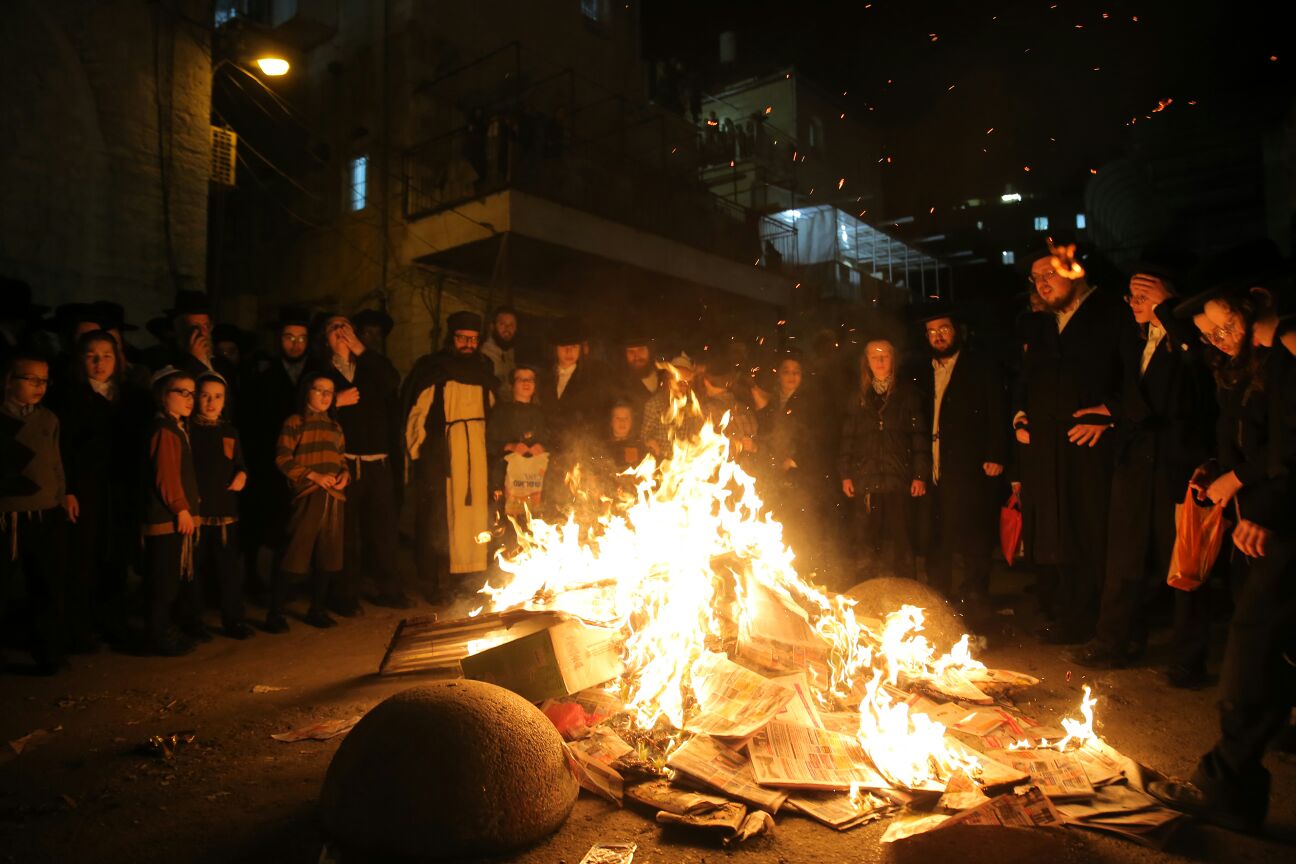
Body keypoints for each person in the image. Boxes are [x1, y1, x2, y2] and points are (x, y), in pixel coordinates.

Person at [1150, 239, 1296, 834]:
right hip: (1273, 518)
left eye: (1220, 322)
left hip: (1285, 524)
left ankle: (1227, 785)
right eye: (1207, 330)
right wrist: (1227, 474)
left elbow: (1290, 448)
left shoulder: (1289, 342)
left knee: (1254, 649)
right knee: (1267, 647)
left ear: (1255, 299)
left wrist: (1267, 507)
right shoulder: (1254, 357)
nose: (1213, 336)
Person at [1072, 260, 1215, 678]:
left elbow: (1196, 386)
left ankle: (1188, 659)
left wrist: (1170, 313)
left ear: (1168, 298)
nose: (1133, 303)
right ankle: (1115, 641)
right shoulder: (1135, 338)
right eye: (1131, 295)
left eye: (1144, 296)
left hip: (1177, 463)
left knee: (1183, 559)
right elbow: (1134, 391)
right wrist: (1111, 410)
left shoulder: (1190, 337)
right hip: (1136, 461)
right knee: (1124, 556)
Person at [1013, 241, 1130, 643]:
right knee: (1061, 534)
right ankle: (1074, 617)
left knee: (1095, 531)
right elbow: (1026, 379)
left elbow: (1136, 372)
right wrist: (1021, 414)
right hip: (1049, 446)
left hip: (1093, 446)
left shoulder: (1113, 311)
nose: (1043, 284)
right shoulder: (1043, 323)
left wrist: (1111, 412)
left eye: (1050, 274)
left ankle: (1108, 625)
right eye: (1037, 278)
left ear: (1075, 271)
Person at [913, 307, 1008, 611]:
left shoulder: (979, 366)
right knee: (935, 534)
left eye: (944, 330)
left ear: (956, 332)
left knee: (973, 535)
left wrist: (996, 453)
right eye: (932, 332)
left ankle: (975, 600)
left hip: (969, 464)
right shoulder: (922, 371)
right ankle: (938, 599)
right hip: (933, 465)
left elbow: (997, 410)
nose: (938, 337)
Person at [316, 315, 410, 612]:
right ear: (325, 338)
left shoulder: (370, 365)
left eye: (346, 327)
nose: (341, 333)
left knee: (383, 531)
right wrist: (335, 402)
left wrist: (360, 348)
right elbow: (304, 405)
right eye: (334, 329)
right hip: (343, 464)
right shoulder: (321, 371)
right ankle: (345, 596)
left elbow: (392, 380)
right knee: (346, 534)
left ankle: (390, 590)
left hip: (378, 464)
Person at [403, 311, 497, 602]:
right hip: (443, 457)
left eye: (473, 339)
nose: (468, 343)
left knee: (474, 517)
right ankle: (435, 582)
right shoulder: (434, 369)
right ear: (451, 338)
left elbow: (494, 412)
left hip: (477, 457)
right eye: (462, 338)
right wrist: (418, 453)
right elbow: (416, 414)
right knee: (438, 519)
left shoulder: (484, 371)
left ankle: (466, 581)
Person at [52, 330, 134, 651]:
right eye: (92, 356)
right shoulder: (68, 397)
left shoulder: (129, 396)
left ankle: (113, 621)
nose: (100, 363)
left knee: (116, 556)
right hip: (85, 489)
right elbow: (62, 448)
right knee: (83, 558)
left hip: (119, 490)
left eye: (107, 356)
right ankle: (78, 628)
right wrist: (68, 489)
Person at [837, 340, 929, 581]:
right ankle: (868, 595)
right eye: (874, 356)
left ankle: (908, 593)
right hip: (865, 480)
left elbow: (919, 438)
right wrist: (845, 473)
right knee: (867, 541)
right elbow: (848, 438)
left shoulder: (907, 395)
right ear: (866, 362)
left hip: (898, 478)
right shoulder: (858, 397)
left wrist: (919, 475)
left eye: (884, 356)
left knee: (902, 541)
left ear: (893, 360)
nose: (879, 361)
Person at [0, 351, 68, 673]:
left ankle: (47, 652)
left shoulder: (48, 419)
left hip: (43, 513)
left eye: (44, 380)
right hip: (6, 515)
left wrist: (61, 495)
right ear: (9, 381)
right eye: (31, 379)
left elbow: (55, 462)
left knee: (45, 584)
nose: (39, 386)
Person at [271, 371, 350, 631]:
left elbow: (341, 461)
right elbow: (283, 459)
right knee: (296, 553)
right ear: (308, 392)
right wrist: (313, 475)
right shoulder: (296, 422)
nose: (326, 396)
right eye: (319, 390)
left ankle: (317, 609)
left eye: (330, 391)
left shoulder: (335, 427)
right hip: (308, 496)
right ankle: (276, 612)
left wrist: (344, 476)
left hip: (334, 497)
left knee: (328, 556)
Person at [242, 306, 312, 592]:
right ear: (278, 340)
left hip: (307, 464)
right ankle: (263, 586)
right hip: (270, 464)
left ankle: (294, 585)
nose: (295, 344)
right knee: (268, 527)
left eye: (301, 338)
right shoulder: (262, 376)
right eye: (288, 338)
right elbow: (252, 423)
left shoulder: (317, 374)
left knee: (300, 528)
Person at [141, 367, 202, 656]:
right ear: (163, 396)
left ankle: (165, 631)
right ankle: (156, 637)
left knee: (171, 579)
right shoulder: (164, 430)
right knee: (163, 580)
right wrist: (181, 509)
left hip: (174, 517)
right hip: (166, 520)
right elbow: (165, 475)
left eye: (193, 393)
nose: (190, 399)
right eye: (183, 392)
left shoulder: (177, 427)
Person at [189, 373, 254, 640]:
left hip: (226, 511)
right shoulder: (188, 430)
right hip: (196, 514)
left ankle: (233, 620)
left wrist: (242, 475)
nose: (211, 402)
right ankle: (192, 622)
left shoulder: (229, 431)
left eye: (217, 396)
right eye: (205, 395)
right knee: (195, 571)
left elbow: (240, 463)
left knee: (229, 570)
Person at [487, 365, 549, 522]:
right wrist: (511, 447)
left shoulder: (542, 412)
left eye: (530, 379)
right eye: (521, 379)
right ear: (512, 384)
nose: (526, 383)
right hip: (505, 481)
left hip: (535, 482)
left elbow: (552, 440)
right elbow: (489, 443)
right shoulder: (500, 411)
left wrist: (542, 447)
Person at [611, 333, 661, 432]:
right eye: (631, 352)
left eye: (641, 350)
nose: (636, 356)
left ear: (649, 351)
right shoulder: (619, 385)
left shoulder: (665, 378)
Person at [480, 306, 519, 394]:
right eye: (502, 324)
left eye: (511, 325)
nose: (507, 329)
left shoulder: (511, 353)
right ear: (492, 327)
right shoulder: (483, 354)